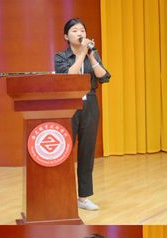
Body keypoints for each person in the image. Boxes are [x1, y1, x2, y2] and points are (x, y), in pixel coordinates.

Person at [55, 18, 111, 211]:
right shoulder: (61, 57)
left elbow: (104, 77)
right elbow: (69, 77)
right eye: (75, 30)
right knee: (65, 150)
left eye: (82, 30)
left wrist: (91, 56)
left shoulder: (92, 53)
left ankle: (83, 197)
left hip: (90, 102)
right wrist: (81, 54)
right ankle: (62, 194)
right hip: (69, 103)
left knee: (87, 151)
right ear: (66, 36)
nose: (80, 33)